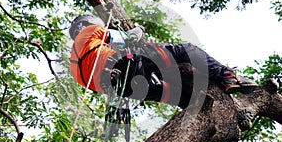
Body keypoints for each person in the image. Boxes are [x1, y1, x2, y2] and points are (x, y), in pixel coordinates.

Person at [69, 14, 257, 108]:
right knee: (186, 50)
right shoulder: (89, 32)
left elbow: (102, 74)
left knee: (172, 94)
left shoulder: (75, 71)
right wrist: (137, 32)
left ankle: (194, 105)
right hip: (128, 64)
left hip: (125, 89)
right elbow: (130, 37)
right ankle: (228, 76)